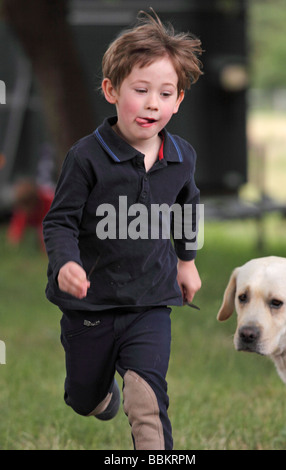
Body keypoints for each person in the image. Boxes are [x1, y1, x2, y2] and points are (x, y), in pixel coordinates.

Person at [43, 9, 203, 450]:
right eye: (141, 90)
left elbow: (188, 205)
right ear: (112, 91)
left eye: (165, 93)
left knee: (147, 395)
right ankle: (96, 395)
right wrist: (66, 263)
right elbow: (60, 220)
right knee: (83, 396)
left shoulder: (181, 155)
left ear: (178, 101)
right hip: (91, 303)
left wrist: (186, 261)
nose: (153, 102)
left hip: (150, 301)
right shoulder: (86, 157)